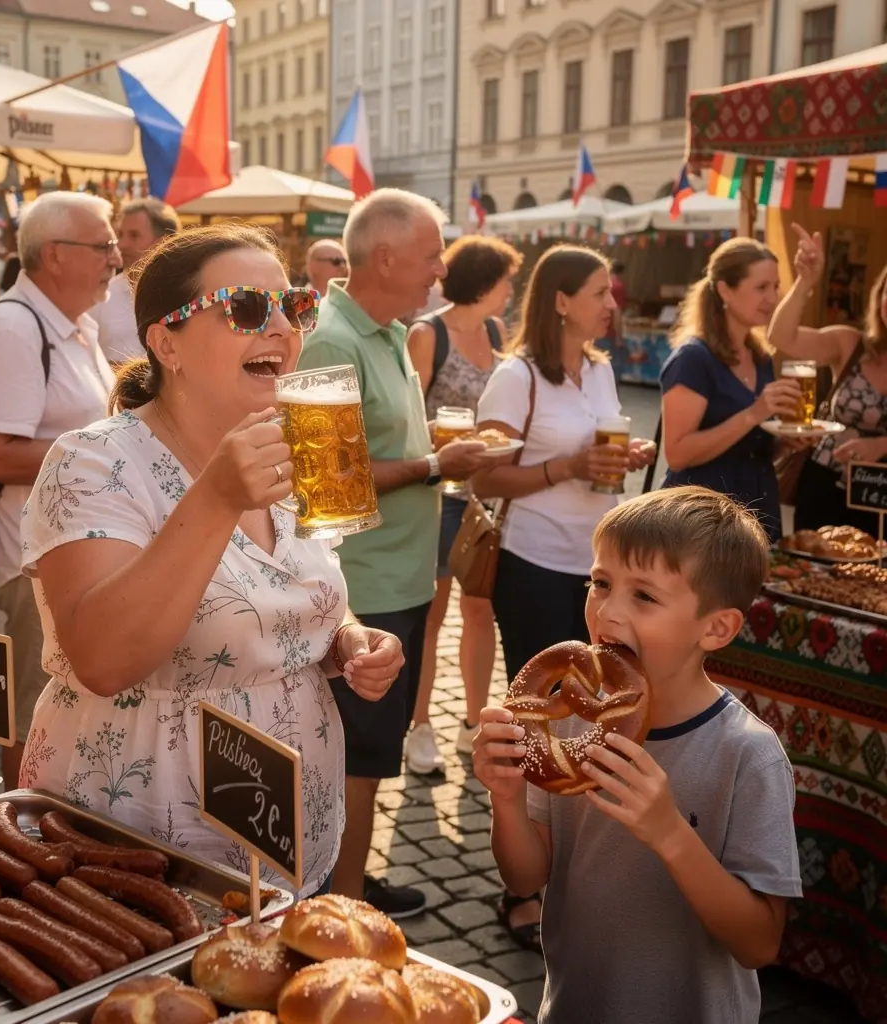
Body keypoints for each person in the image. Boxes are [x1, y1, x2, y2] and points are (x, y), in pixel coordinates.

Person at [18, 223, 404, 898]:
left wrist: (346, 638)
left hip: (285, 828)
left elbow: (287, 589)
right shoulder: (93, 461)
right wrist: (216, 499)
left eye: (295, 307)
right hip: (139, 839)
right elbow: (103, 659)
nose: (281, 327)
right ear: (166, 343)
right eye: (247, 308)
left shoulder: (298, 442)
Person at [473, 486, 802, 1023]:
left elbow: (759, 943)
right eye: (600, 583)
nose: (607, 612)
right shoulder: (570, 724)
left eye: (644, 596)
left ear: (716, 628)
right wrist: (506, 800)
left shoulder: (747, 755)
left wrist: (670, 833)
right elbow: (526, 878)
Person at [296, 188, 489, 916]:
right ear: (383, 258)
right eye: (432, 255)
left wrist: (431, 452)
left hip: (397, 579)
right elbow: (324, 480)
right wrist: (436, 464)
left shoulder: (387, 331)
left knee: (372, 759)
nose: (441, 270)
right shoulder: (331, 340)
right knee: (356, 760)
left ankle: (350, 880)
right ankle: (340, 908)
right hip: (363, 586)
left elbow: (374, 448)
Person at [473, 244, 654, 949]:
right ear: (560, 300)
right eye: (600, 292)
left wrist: (621, 459)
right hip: (534, 563)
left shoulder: (602, 370)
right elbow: (484, 478)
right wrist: (568, 465)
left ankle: (577, 859)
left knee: (596, 717)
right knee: (540, 724)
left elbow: (600, 458)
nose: (612, 303)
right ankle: (521, 887)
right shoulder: (516, 377)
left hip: (597, 570)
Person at [0, 191, 119, 789]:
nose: (116, 258)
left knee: (63, 714)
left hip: (68, 552)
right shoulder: (10, 328)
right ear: (55, 255)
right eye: (103, 245)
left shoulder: (71, 325)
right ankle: (21, 827)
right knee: (34, 720)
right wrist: (106, 453)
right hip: (36, 562)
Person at [404, 234, 522, 775]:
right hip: (437, 494)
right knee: (432, 615)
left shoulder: (496, 332)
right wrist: (452, 438)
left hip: (482, 495)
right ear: (484, 282)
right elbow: (409, 422)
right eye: (506, 281)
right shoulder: (428, 334)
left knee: (480, 610)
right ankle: (419, 726)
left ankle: (474, 723)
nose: (511, 291)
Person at [660, 239, 804, 542]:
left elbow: (748, 448)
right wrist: (754, 414)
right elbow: (677, 454)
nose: (772, 297)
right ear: (725, 290)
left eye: (776, 287)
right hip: (702, 520)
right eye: (761, 287)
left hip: (757, 512)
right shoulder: (694, 358)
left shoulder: (760, 357)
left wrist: (785, 443)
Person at [768, 226, 887, 534]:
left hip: (880, 495)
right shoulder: (852, 345)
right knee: (811, 562)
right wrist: (805, 281)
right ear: (879, 298)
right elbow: (781, 337)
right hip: (824, 484)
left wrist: (880, 445)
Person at [91, 198, 180, 365]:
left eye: (134, 235)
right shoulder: (101, 296)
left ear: (163, 241)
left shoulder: (186, 294)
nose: (121, 244)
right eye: (120, 235)